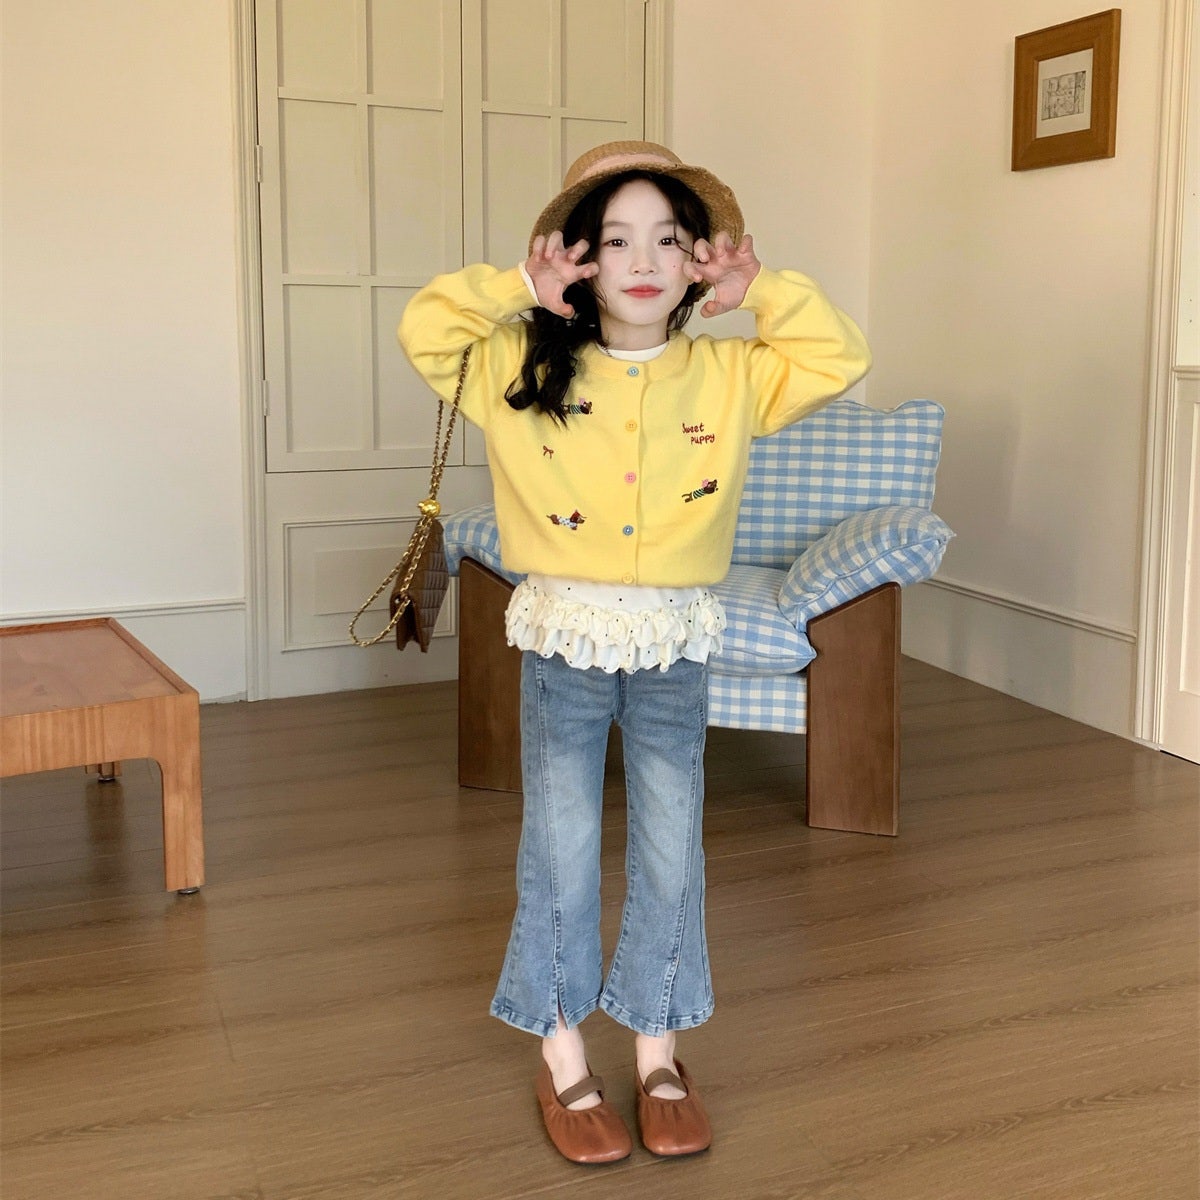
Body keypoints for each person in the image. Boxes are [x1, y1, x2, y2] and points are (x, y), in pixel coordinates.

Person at [399, 141, 870, 1164]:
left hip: (673, 646)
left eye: (668, 239)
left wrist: (762, 292)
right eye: (616, 241)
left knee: (670, 844)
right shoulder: (518, 362)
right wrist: (515, 287)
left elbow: (839, 357)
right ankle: (561, 1050)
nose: (644, 261)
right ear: (580, 258)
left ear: (698, 260)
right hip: (563, 638)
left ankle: (659, 1048)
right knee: (561, 847)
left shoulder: (731, 374)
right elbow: (425, 329)